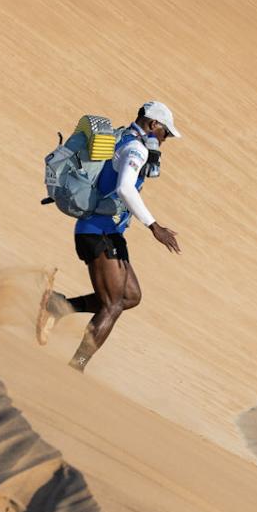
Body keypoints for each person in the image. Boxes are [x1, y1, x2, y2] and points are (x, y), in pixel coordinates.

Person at [38, 101, 183, 371]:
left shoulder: (125, 138)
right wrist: (155, 227)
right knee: (113, 304)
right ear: (153, 125)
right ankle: (76, 366)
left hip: (109, 231)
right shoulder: (135, 148)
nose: (166, 140)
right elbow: (126, 188)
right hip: (97, 230)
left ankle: (59, 306)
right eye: (165, 133)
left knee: (130, 296)